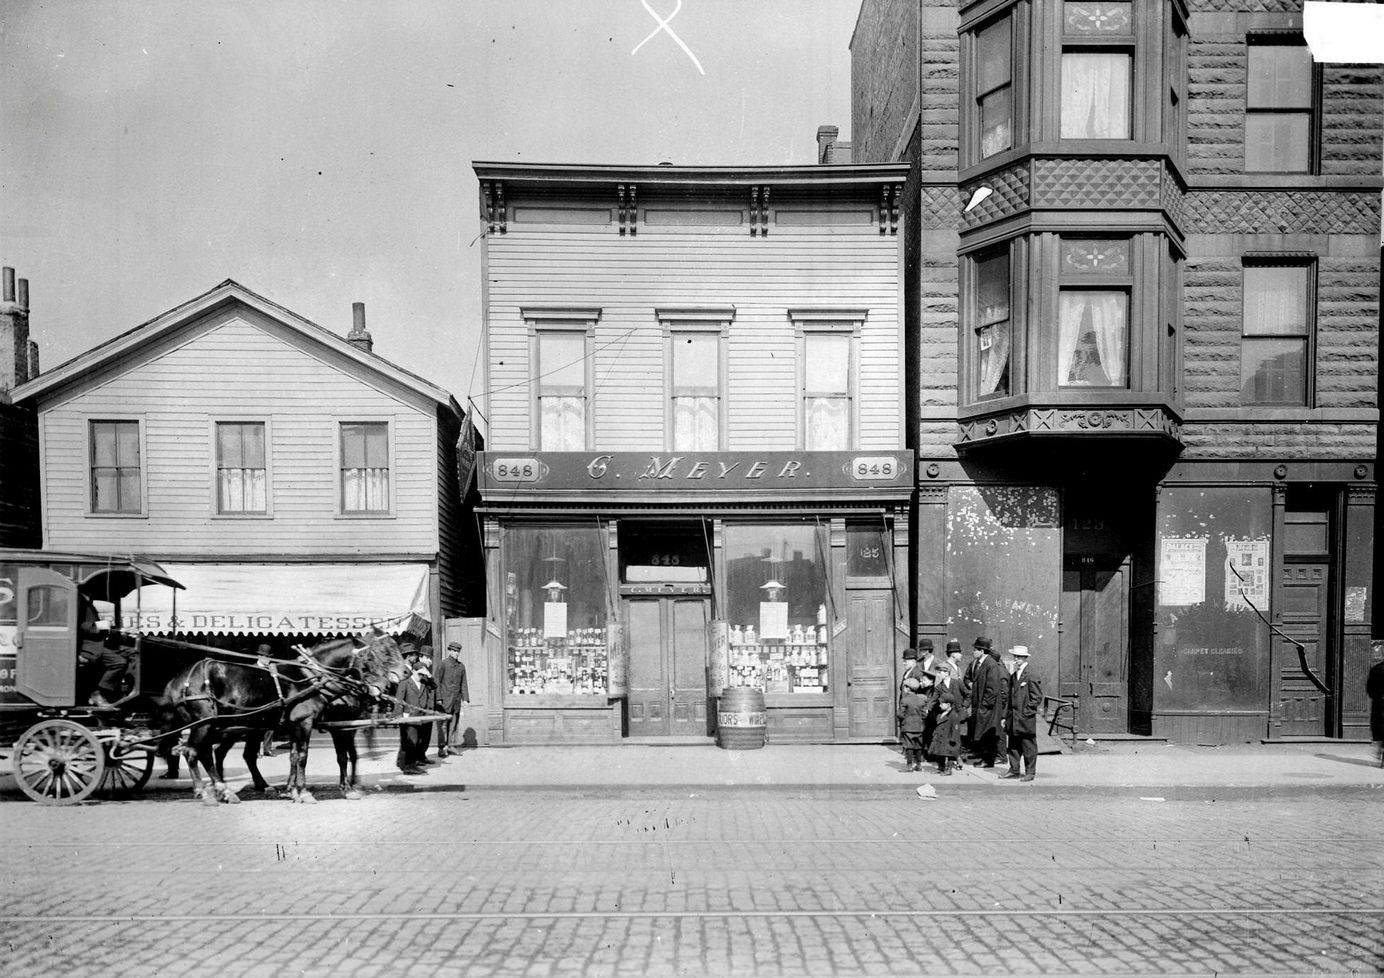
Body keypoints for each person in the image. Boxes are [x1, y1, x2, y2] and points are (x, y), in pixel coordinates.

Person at [1000, 645, 1042, 782]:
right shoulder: (1014, 676)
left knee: (1028, 746)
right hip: (1013, 717)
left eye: (1019, 657)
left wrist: (1026, 713)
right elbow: (1008, 697)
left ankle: (1030, 772)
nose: (1016, 659)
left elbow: (1036, 697)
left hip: (1024, 719)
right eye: (1015, 656)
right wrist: (1005, 716)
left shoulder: (1031, 674)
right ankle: (1014, 770)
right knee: (1013, 745)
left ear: (1025, 658)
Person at [395, 645, 436, 775]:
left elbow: (434, 685)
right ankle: (408, 766)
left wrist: (429, 675)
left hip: (419, 717)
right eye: (420, 674)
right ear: (415, 672)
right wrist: (399, 716)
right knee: (410, 742)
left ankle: (411, 764)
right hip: (408, 716)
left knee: (416, 740)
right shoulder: (405, 683)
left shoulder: (423, 683)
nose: (421, 676)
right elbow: (398, 701)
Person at [967, 637, 1005, 768]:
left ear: (982, 651)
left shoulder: (990, 664)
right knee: (984, 734)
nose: (973, 652)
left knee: (988, 735)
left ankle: (988, 761)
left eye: (975, 650)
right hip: (983, 707)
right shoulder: (983, 663)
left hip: (988, 709)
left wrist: (984, 706)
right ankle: (985, 758)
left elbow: (992, 689)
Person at [434, 641, 470, 758]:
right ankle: (441, 747)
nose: (456, 653)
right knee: (443, 725)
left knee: (454, 724)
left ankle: (451, 745)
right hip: (444, 701)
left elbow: (464, 684)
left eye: (458, 651)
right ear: (449, 651)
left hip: (456, 702)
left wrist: (465, 699)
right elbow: (437, 682)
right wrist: (438, 698)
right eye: (454, 651)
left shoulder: (461, 666)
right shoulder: (443, 664)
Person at [927, 662, 963, 774]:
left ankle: (955, 761)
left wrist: (964, 706)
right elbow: (933, 699)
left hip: (956, 713)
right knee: (944, 742)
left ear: (947, 673)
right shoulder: (939, 687)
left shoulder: (957, 683)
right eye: (938, 672)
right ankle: (945, 766)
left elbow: (968, 694)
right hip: (945, 716)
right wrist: (928, 708)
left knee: (954, 738)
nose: (939, 674)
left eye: (941, 672)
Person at [896, 676, 929, 772]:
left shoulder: (904, 700)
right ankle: (918, 765)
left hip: (908, 726)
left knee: (909, 746)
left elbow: (900, 714)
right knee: (918, 746)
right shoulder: (921, 700)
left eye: (905, 687)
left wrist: (904, 720)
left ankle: (909, 765)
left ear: (908, 688)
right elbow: (924, 714)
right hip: (919, 726)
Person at [1367, 656, 1384, 768]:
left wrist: (1377, 697)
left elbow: (1369, 689)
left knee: (1380, 729)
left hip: (1379, 704)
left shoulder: (1376, 669)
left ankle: (1380, 750)